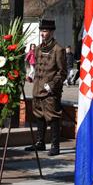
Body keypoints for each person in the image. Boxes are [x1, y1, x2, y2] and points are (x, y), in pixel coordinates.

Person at [27, 20, 66, 155]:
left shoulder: (58, 50)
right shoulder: (37, 49)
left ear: (51, 32)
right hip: (37, 88)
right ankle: (40, 142)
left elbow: (62, 72)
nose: (43, 34)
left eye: (45, 31)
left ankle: (55, 145)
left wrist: (51, 86)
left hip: (50, 91)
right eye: (42, 31)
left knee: (53, 117)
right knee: (38, 115)